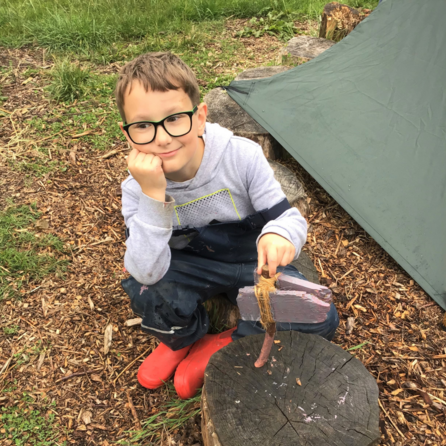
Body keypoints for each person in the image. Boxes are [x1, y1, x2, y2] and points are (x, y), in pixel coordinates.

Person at [116, 52, 339, 399]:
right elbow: (146, 269)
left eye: (175, 118)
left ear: (201, 116)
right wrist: (153, 196)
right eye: (143, 125)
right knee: (145, 291)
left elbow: (288, 218)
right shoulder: (136, 190)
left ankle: (226, 341)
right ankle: (183, 338)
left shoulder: (241, 157)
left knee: (320, 316)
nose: (161, 137)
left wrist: (279, 234)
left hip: (255, 264)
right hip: (192, 266)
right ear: (127, 134)